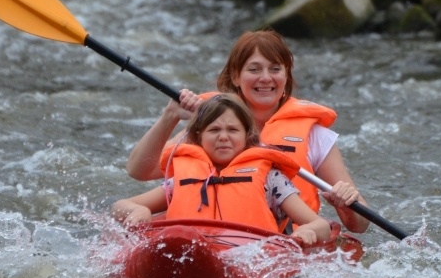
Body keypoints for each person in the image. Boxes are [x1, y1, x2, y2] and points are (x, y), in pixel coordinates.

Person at [126, 29, 371, 233]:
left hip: (283, 243)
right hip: (205, 235)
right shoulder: (211, 124)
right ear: (235, 76)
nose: (265, 78)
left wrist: (344, 203)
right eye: (254, 70)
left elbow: (359, 224)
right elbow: (139, 170)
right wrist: (170, 117)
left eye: (275, 69)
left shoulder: (314, 135)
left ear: (286, 75)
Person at [112, 94, 333, 245]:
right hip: (193, 255)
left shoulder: (271, 179)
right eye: (214, 130)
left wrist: (308, 231)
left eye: (232, 130)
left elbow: (320, 224)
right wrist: (137, 211)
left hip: (249, 261)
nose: (223, 137)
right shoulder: (183, 179)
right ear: (199, 137)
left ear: (247, 137)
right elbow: (119, 206)